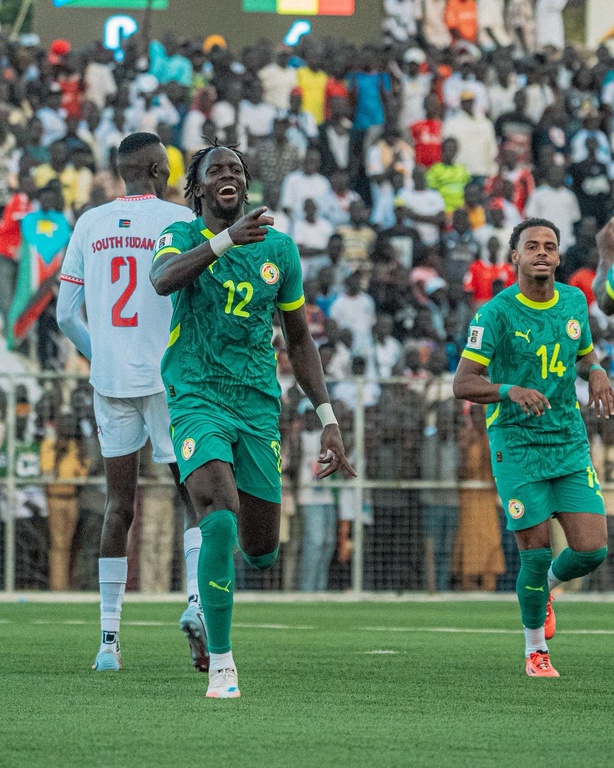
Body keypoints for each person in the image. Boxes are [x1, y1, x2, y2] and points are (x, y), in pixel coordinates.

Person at [149, 139, 355, 699]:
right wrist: (222, 242)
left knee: (261, 550)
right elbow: (163, 280)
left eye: (236, 169)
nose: (228, 175)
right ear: (197, 187)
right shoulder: (183, 235)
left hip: (258, 404)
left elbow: (299, 339)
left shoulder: (280, 250)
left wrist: (328, 418)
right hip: (196, 394)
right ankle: (221, 660)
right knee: (217, 511)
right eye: (215, 169)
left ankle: (208, 597)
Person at [56, 132, 204, 673]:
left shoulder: (90, 223)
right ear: (161, 170)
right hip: (168, 378)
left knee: (120, 507)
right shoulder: (177, 222)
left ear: (121, 172)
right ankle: (196, 605)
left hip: (111, 380)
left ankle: (109, 644)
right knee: (193, 497)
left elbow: (65, 315)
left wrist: (104, 356)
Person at [454, 217, 612, 677]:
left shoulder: (573, 301)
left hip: (566, 440)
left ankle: (544, 587)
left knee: (592, 550)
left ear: (559, 257)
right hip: (517, 445)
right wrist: (509, 391)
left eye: (550, 246)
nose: (542, 252)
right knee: (536, 548)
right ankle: (535, 650)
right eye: (532, 246)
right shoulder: (496, 314)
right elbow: (462, 383)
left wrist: (597, 370)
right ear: (515, 257)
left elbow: (583, 354)